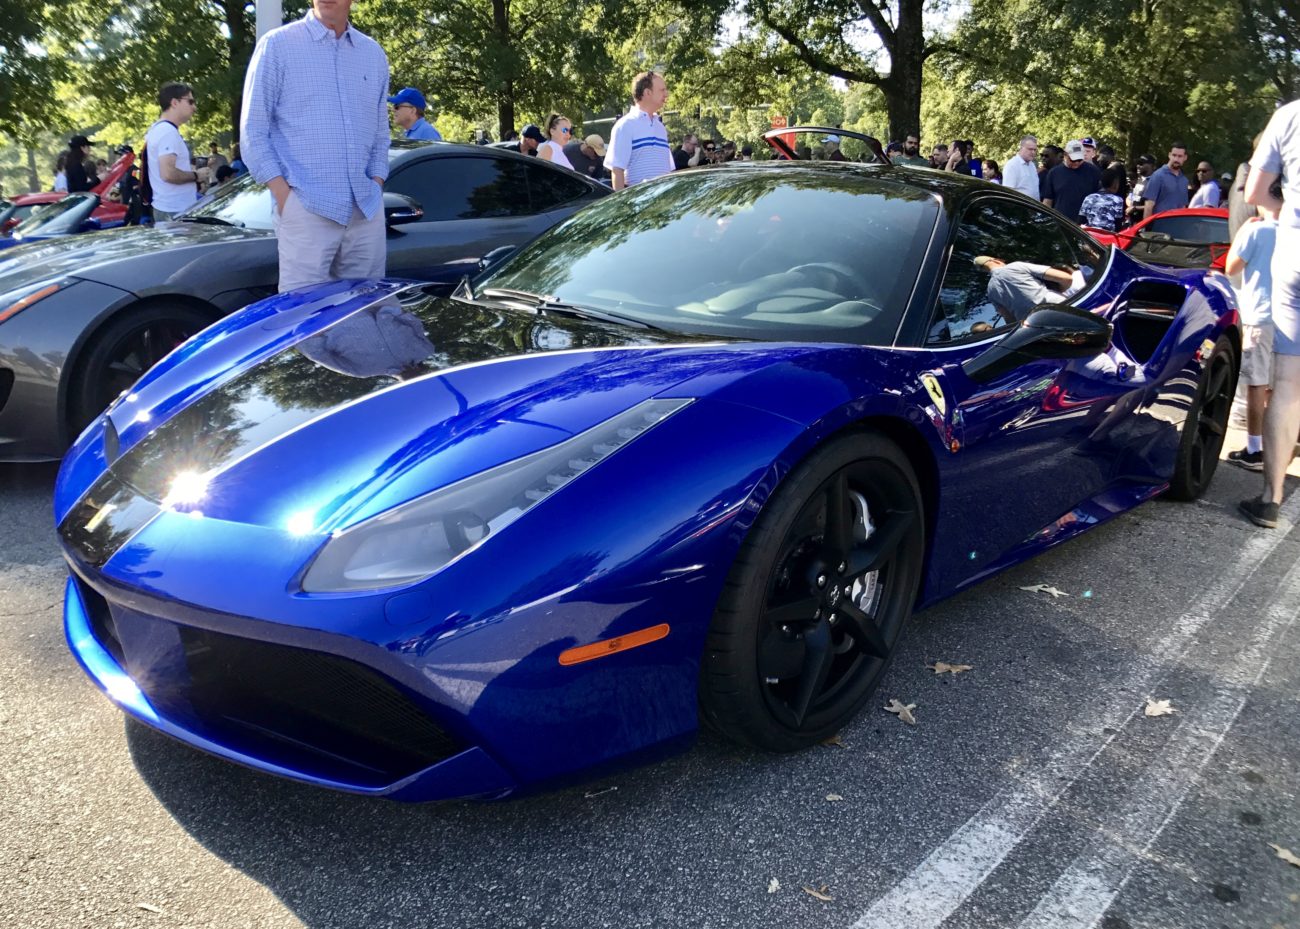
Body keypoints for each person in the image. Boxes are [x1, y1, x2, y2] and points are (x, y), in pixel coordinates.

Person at [240, 0, 391, 292]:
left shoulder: (372, 54)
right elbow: (252, 131)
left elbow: (380, 133)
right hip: (306, 208)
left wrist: (376, 182)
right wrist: (286, 200)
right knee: (304, 318)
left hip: (365, 209)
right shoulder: (278, 45)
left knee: (368, 314)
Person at [1240, 99, 1300, 527]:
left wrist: (1283, 213)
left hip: (1295, 259)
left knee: (1287, 385)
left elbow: (1256, 193)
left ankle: (1271, 498)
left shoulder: (1290, 115)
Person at [1224, 182, 1281, 471]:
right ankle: (1275, 446)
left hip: (1259, 314)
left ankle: (1255, 448)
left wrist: (1244, 231)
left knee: (1256, 384)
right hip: (1289, 319)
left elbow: (1231, 267)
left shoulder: (1257, 230)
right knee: (1276, 386)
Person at [607, 71, 673, 190]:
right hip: (639, 204)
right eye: (662, 90)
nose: (666, 94)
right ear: (647, 92)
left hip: (664, 202)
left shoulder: (661, 127)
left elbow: (669, 169)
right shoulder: (625, 125)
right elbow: (617, 170)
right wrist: (622, 206)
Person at [143, 83, 200, 221]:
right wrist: (196, 176)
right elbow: (168, 174)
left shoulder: (159, 129)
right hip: (175, 212)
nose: (194, 107)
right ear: (174, 102)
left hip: (169, 209)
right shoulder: (167, 132)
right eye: (190, 101)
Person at [975, 255, 1086, 324]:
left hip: (1036, 325)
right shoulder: (1016, 266)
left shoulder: (990, 291)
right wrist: (1060, 292)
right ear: (995, 261)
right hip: (1062, 309)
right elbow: (1065, 278)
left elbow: (1009, 320)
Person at [1042, 139, 1101, 221]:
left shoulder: (1093, 171)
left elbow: (1099, 199)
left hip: (1085, 224)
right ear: (1065, 155)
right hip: (1061, 222)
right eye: (1073, 160)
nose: (1076, 163)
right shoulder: (1054, 173)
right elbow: (1048, 201)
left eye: (1080, 159)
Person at [1142, 142, 1191, 218]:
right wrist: (1146, 228)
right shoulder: (1158, 176)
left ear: (1185, 157)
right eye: (1174, 155)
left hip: (1177, 226)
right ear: (1169, 155)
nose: (1176, 159)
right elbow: (1148, 206)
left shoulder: (1184, 180)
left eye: (1180, 156)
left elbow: (1183, 207)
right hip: (1159, 226)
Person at [1079, 165, 1128, 230]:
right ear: (1115, 184)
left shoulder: (1089, 197)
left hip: (1089, 235)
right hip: (1107, 236)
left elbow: (1081, 220)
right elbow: (1118, 223)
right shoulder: (1117, 200)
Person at [1003, 135, 1040, 199]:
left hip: (1033, 207)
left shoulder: (1032, 165)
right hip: (1020, 207)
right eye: (1030, 149)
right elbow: (1008, 192)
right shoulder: (1012, 165)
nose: (1033, 152)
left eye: (1035, 150)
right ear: (1021, 148)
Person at [1128, 154, 1157, 224]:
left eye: (1141, 163)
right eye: (1138, 163)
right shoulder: (1140, 179)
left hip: (1144, 224)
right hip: (1133, 222)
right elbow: (1132, 196)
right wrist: (1130, 203)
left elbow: (1156, 206)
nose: (1138, 166)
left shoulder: (1155, 182)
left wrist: (1135, 208)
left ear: (1151, 165)